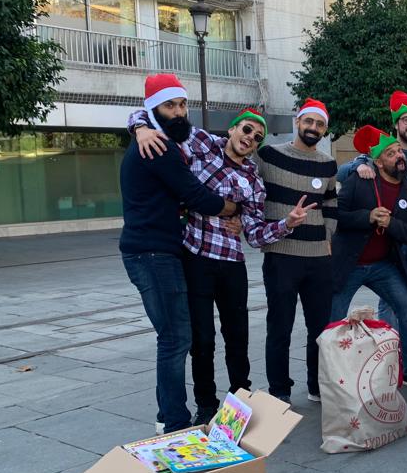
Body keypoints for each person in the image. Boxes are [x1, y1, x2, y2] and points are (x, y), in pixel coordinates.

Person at [128, 105, 313, 422]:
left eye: (256, 137)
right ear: (231, 129)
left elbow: (254, 235)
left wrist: (288, 223)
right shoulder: (201, 143)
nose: (250, 138)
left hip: (231, 264)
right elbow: (153, 114)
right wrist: (139, 129)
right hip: (195, 257)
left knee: (237, 336)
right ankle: (206, 405)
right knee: (201, 340)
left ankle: (239, 401)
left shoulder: (253, 180)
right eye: (246, 130)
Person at [119, 74, 237, 433]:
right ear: (154, 109)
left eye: (183, 104)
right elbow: (195, 194)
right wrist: (234, 209)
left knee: (172, 336)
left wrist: (138, 124)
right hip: (153, 253)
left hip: (155, 251)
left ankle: (165, 414)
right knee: (175, 338)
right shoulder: (159, 148)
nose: (179, 112)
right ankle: (174, 422)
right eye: (170, 105)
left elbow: (221, 143)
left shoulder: (161, 137)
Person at [330, 125, 407, 391]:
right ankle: (330, 374)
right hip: (349, 264)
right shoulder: (360, 181)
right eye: (391, 152)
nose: (399, 156)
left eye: (400, 151)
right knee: (334, 318)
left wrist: (392, 223)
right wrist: (367, 217)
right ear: (378, 161)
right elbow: (337, 215)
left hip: (383, 266)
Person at [256, 99, 339, 403]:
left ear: (325, 129)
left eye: (319, 124)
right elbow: (250, 190)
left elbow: (331, 202)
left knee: (320, 328)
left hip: (319, 257)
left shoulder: (328, 163)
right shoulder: (268, 155)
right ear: (297, 122)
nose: (313, 128)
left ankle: (317, 386)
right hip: (281, 255)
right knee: (280, 327)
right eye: (309, 122)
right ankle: (279, 391)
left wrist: (329, 234)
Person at [336, 90, 407, 183]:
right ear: (396, 124)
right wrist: (359, 166)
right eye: (406, 120)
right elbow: (341, 173)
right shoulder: (384, 150)